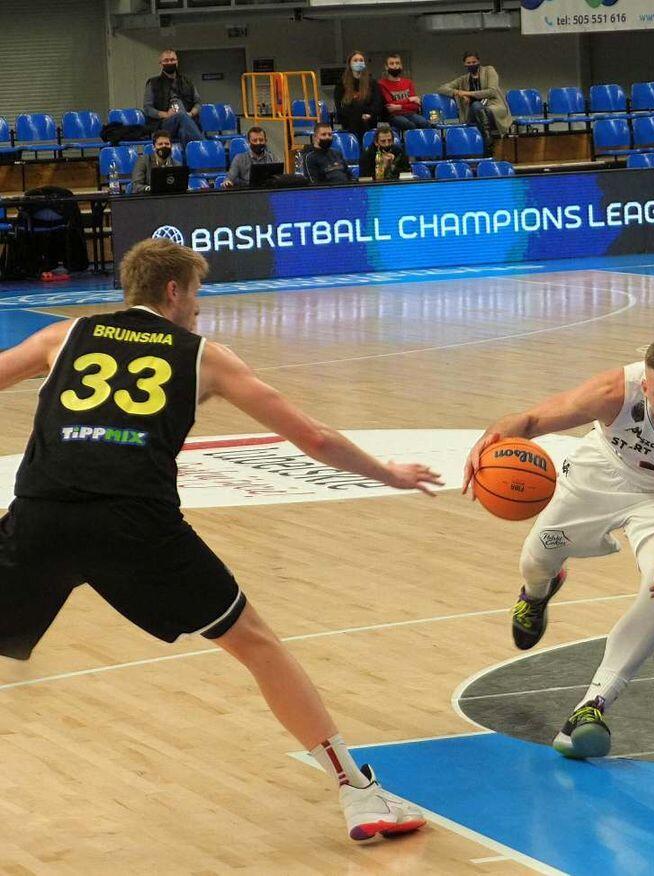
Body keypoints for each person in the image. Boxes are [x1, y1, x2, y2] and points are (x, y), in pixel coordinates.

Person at [0, 238, 445, 841]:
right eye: (196, 295)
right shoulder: (205, 356)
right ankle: (358, 795)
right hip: (137, 524)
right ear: (173, 291)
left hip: (42, 513)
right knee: (255, 644)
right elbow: (313, 438)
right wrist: (388, 473)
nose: (198, 308)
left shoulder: (64, 336)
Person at [463, 335, 654, 759]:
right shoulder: (613, 393)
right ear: (644, 387)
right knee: (537, 557)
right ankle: (537, 592)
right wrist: (488, 441)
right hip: (600, 473)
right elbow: (530, 420)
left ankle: (592, 706)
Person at [438, 51, 514, 150]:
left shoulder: (489, 71)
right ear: (464, 64)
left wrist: (467, 93)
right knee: (476, 106)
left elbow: (491, 92)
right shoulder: (463, 79)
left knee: (479, 107)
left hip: (492, 108)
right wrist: (458, 92)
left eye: (474, 62)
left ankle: (487, 141)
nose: (471, 65)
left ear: (478, 61)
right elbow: (442, 88)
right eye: (468, 63)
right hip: (472, 113)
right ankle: (488, 138)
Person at [143, 49, 204, 149]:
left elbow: (198, 103)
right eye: (166, 60)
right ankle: (203, 147)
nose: (170, 62)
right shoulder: (153, 83)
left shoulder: (187, 81)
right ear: (161, 64)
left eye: (172, 60)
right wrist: (166, 114)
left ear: (177, 62)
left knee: (184, 132)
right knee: (181, 116)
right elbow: (147, 108)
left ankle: (188, 157)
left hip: (187, 119)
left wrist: (191, 114)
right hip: (163, 124)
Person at [333, 50, 385, 143]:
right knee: (356, 117)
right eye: (355, 60)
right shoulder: (341, 84)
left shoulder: (372, 83)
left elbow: (377, 103)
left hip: (369, 118)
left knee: (362, 120)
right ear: (349, 64)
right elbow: (340, 106)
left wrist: (369, 114)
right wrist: (358, 115)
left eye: (361, 60)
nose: (358, 62)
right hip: (349, 119)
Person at [377, 54, 431, 132]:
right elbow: (389, 106)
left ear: (401, 66)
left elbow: (415, 105)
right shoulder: (381, 84)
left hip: (410, 113)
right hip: (393, 116)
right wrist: (409, 99)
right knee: (410, 125)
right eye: (391, 64)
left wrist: (399, 107)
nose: (395, 66)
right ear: (386, 67)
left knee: (424, 123)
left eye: (397, 63)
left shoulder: (408, 82)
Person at [130, 130, 181, 194]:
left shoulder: (177, 165)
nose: (164, 146)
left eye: (167, 144)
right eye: (160, 144)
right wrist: (150, 188)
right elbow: (136, 186)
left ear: (171, 146)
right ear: (154, 147)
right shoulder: (143, 161)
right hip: (148, 197)